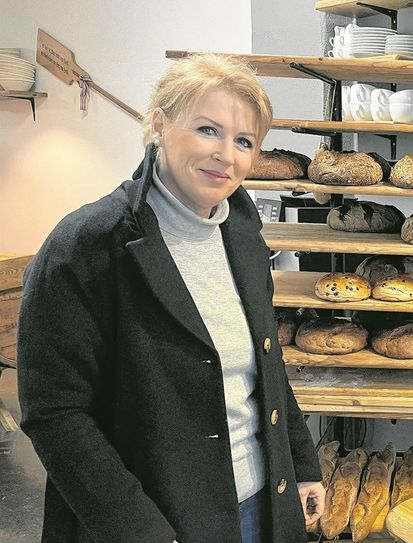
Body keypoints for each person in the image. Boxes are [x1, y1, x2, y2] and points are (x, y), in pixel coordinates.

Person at [18, 53, 324, 543]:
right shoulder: (88, 245)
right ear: (159, 124)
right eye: (208, 130)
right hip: (156, 518)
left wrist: (302, 465)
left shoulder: (242, 235)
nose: (227, 154)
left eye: (244, 141)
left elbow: (266, 366)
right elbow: (55, 415)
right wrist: (140, 531)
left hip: (262, 508)